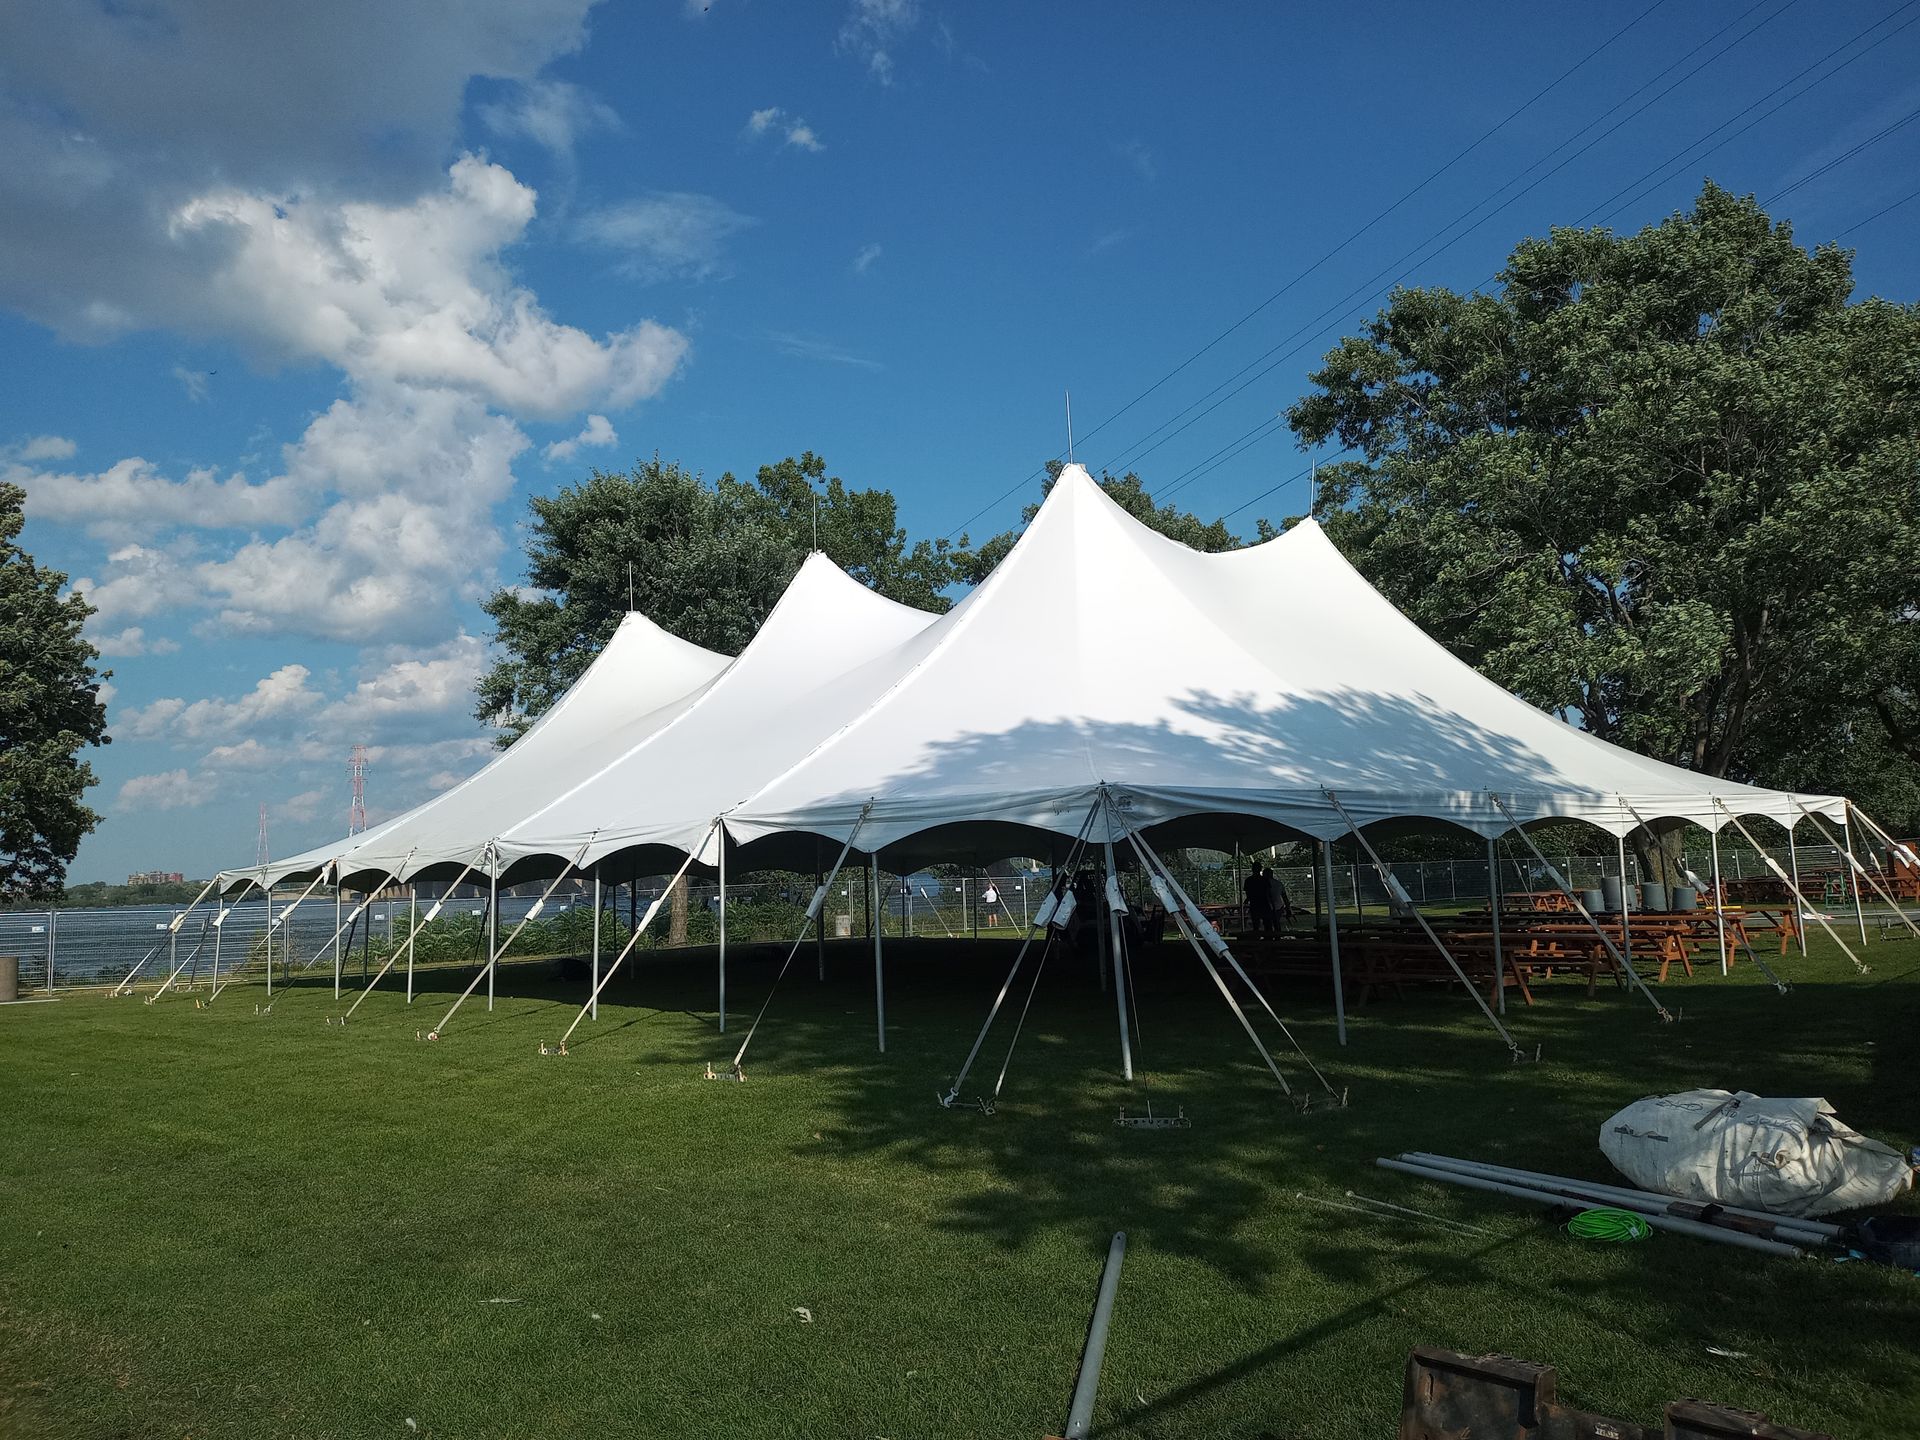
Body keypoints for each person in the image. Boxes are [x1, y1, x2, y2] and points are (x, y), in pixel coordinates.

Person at [1245, 862, 1273, 938]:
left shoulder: (1249, 880)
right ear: (1260, 869)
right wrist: (1271, 904)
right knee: (1267, 924)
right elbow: (1268, 893)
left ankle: (1256, 940)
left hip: (1254, 904)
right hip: (1264, 903)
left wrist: (1248, 900)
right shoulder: (1264, 880)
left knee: (1256, 924)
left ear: (1252, 869)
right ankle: (1269, 940)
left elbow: (1248, 894)